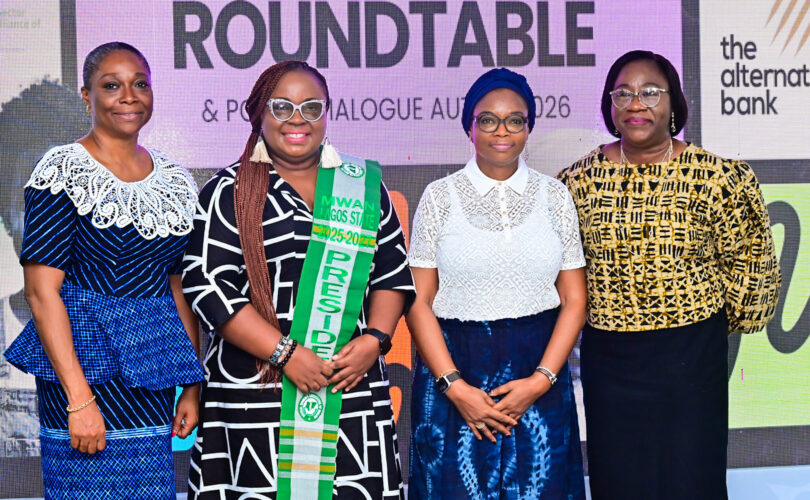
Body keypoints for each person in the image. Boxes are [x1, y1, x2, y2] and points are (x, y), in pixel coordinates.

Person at [182, 60, 415, 499]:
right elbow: (209, 287)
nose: (297, 119)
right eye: (282, 107)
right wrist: (285, 354)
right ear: (260, 114)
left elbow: (391, 272)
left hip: (349, 389)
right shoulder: (227, 192)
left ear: (327, 113)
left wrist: (375, 340)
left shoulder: (362, 186)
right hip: (255, 395)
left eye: (311, 107)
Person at [557, 50, 781, 500]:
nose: (636, 104)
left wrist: (707, 325)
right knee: (620, 480)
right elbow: (562, 273)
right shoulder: (577, 182)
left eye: (650, 92)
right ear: (610, 105)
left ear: (674, 102)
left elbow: (752, 265)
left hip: (691, 358)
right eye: (623, 94)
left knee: (691, 479)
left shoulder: (717, 178)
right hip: (611, 362)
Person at [3, 42, 204, 499]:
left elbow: (177, 289)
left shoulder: (175, 181)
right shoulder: (63, 170)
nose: (129, 96)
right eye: (111, 85)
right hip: (81, 369)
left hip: (150, 372)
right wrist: (79, 399)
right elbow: (41, 293)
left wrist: (191, 387)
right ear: (86, 95)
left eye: (140, 84)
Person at [406, 68, 587, 499]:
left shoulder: (555, 196)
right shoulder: (439, 197)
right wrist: (455, 387)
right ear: (469, 127)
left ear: (529, 127)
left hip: (539, 375)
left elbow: (574, 300)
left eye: (514, 120)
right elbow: (418, 302)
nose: (501, 131)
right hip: (455, 376)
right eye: (488, 119)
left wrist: (541, 381)